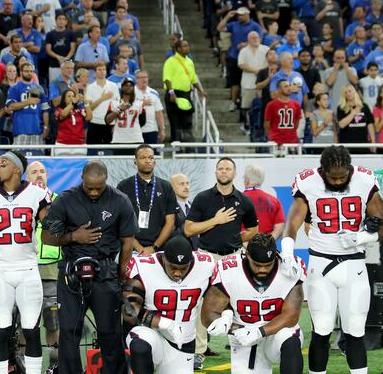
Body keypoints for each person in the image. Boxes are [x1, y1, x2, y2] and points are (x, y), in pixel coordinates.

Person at [282, 145, 383, 374]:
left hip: (354, 266)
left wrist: (363, 237)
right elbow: (292, 223)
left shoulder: (364, 179)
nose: (337, 182)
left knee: (355, 331)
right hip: (321, 266)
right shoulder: (308, 182)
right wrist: (287, 251)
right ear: (322, 171)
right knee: (321, 331)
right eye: (332, 178)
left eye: (342, 177)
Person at [41, 161, 137, 374]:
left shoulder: (120, 201)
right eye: (89, 187)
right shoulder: (65, 200)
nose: (94, 192)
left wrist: (122, 275)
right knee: (68, 331)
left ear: (106, 180)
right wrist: (74, 236)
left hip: (105, 272)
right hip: (71, 273)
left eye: (98, 188)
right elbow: (47, 237)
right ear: (82, 178)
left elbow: (127, 241)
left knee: (110, 331)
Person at [0, 151, 53, 374]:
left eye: (3, 164)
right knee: (0, 332)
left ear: (17, 169)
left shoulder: (37, 192)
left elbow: (53, 227)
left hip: (28, 269)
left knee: (32, 330)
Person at [184, 156, 259, 369]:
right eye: (220, 168)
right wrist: (215, 221)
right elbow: (189, 229)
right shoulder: (203, 198)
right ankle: (198, 352)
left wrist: (236, 239)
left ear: (235, 173)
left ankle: (240, 346)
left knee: (238, 302)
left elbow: (253, 230)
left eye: (228, 169)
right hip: (206, 256)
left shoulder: (244, 200)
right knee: (200, 303)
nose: (223, 172)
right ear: (215, 172)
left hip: (234, 257)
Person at [201, 233, 306, 374]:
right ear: (247, 255)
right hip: (244, 335)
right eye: (257, 265)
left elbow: (291, 315)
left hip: (276, 331)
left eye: (267, 265)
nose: (262, 269)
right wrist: (230, 326)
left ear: (276, 256)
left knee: (291, 340)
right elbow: (208, 314)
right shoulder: (228, 270)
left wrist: (259, 332)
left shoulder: (290, 268)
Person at [122, 236, 217, 374]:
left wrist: (225, 314)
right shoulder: (143, 266)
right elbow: (129, 310)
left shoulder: (206, 264)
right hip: (151, 333)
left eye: (183, 268)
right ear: (164, 258)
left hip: (183, 342)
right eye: (173, 267)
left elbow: (220, 296)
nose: (178, 273)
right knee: (140, 346)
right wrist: (163, 323)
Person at [26, 161, 62, 367]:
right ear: (26, 176)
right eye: (34, 172)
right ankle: (22, 364)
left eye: (42, 171)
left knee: (52, 321)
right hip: (25, 266)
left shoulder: (59, 201)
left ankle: (54, 365)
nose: (39, 175)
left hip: (52, 268)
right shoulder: (21, 200)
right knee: (26, 322)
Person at [117, 145, 177, 254]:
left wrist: (154, 247)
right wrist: (138, 248)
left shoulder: (166, 186)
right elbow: (120, 222)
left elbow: (170, 222)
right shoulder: (123, 186)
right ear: (135, 161)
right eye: (143, 158)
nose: (147, 161)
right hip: (130, 248)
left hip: (160, 249)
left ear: (155, 161)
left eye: (150, 157)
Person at [163, 40, 206, 142]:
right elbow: (167, 78)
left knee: (187, 121)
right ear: (178, 49)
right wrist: (171, 93)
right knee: (175, 121)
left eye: (187, 45)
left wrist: (201, 91)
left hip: (186, 94)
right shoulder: (171, 61)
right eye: (184, 46)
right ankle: (176, 145)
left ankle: (188, 145)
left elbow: (193, 79)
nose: (187, 48)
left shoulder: (189, 61)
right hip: (174, 94)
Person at [7, 63, 49, 146]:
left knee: (37, 157)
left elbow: (45, 110)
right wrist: (27, 102)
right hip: (20, 130)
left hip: (37, 130)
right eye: (26, 71)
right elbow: (11, 106)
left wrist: (46, 127)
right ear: (21, 72)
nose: (29, 73)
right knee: (19, 157)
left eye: (31, 71)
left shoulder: (39, 88)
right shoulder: (15, 88)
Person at [242, 165, 285, 239]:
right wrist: (267, 244)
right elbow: (280, 226)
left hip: (243, 246)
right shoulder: (274, 201)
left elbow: (232, 228)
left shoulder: (237, 200)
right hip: (267, 248)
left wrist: (247, 245)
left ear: (247, 181)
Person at [84, 62, 119, 145]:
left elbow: (117, 107)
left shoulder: (113, 86)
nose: (102, 72)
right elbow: (89, 108)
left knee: (109, 153)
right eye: (99, 70)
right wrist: (102, 99)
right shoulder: (90, 87)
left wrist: (116, 124)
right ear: (95, 71)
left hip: (110, 124)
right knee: (93, 152)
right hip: (95, 123)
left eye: (104, 69)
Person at [336, 84, 375, 153]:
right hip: (347, 146)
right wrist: (353, 113)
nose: (348, 94)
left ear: (354, 92)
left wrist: (373, 142)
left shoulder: (364, 106)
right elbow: (341, 125)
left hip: (363, 144)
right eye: (345, 92)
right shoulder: (341, 108)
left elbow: (370, 124)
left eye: (350, 91)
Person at [106, 80, 146, 148]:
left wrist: (131, 128)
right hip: (118, 140)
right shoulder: (114, 102)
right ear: (122, 87)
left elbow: (142, 121)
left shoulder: (139, 103)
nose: (128, 87)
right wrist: (119, 109)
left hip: (136, 139)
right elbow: (107, 120)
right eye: (126, 85)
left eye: (131, 85)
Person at [264, 79, 303, 145]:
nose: (289, 88)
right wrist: (271, 138)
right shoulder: (271, 105)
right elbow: (267, 124)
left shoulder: (296, 105)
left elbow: (297, 123)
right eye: (285, 86)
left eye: (289, 85)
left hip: (292, 140)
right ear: (279, 89)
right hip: (276, 141)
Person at [54, 88, 91, 156]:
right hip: (63, 145)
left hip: (80, 145)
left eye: (73, 96)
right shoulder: (59, 110)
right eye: (69, 96)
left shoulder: (80, 110)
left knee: (80, 166)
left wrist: (86, 103)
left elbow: (89, 117)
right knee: (62, 166)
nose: (71, 98)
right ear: (64, 99)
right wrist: (72, 104)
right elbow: (63, 115)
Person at [134, 70, 165, 144]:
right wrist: (142, 103)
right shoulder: (131, 93)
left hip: (151, 129)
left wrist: (162, 129)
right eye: (141, 77)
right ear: (136, 79)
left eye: (145, 77)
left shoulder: (154, 93)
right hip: (134, 130)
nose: (144, 79)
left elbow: (158, 112)